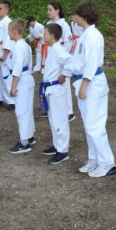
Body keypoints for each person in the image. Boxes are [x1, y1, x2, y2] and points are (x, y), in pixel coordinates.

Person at [66, 2, 116, 178]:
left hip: (92, 83)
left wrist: (85, 84)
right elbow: (78, 60)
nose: (74, 17)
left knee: (95, 124)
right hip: (84, 81)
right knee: (89, 124)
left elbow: (92, 62)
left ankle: (107, 162)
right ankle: (94, 158)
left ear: (85, 16)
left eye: (76, 14)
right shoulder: (85, 35)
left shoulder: (93, 36)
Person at [39, 23, 71, 165]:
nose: (43, 36)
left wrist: (64, 74)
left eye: (45, 33)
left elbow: (70, 61)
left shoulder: (58, 49)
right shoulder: (52, 49)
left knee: (59, 119)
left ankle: (63, 151)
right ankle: (57, 144)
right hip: (50, 88)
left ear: (52, 36)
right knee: (53, 118)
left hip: (56, 88)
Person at [7, 19, 37, 153]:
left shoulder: (18, 47)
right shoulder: (25, 45)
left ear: (14, 31)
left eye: (9, 31)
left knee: (21, 111)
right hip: (27, 78)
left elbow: (18, 67)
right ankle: (29, 136)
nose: (8, 33)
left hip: (22, 80)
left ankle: (24, 142)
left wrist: (13, 86)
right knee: (27, 109)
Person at [45, 2, 74, 121]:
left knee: (63, 83)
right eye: (47, 10)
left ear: (57, 10)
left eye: (50, 9)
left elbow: (69, 43)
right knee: (50, 81)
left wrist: (59, 54)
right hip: (50, 56)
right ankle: (50, 108)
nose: (48, 12)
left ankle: (68, 111)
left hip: (60, 58)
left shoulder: (64, 25)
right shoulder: (48, 24)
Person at [0, 0, 14, 107]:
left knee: (6, 76)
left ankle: (11, 101)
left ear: (6, 10)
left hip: (4, 53)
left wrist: (5, 54)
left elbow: (8, 39)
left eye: (0, 8)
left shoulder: (8, 22)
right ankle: (0, 98)